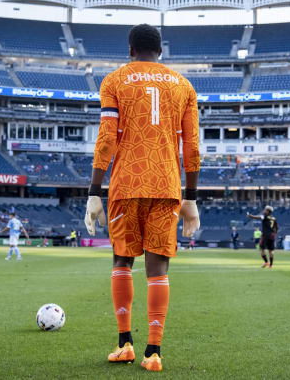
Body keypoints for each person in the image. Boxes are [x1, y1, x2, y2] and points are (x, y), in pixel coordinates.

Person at [83, 24, 200, 372]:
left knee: (122, 262)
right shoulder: (184, 85)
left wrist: (94, 192)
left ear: (130, 49)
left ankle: (125, 345)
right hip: (166, 186)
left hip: (126, 185)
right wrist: (190, 197)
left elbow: (107, 139)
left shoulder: (114, 80)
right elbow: (192, 148)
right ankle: (154, 352)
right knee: (158, 270)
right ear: (161, 51)